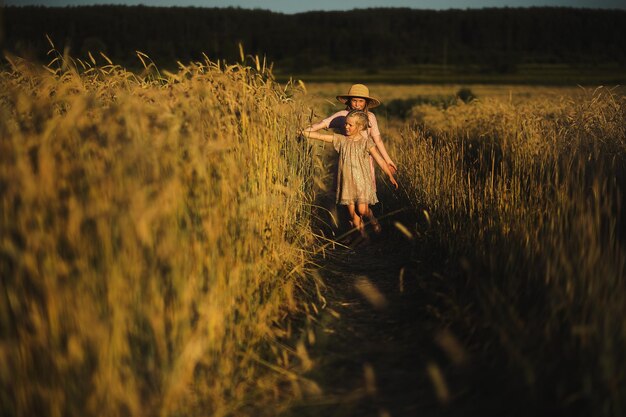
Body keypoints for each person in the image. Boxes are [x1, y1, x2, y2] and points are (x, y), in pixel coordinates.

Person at [301, 110, 398, 237]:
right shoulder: (341, 140)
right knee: (353, 216)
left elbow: (379, 159)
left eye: (350, 125)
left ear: (360, 127)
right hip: (346, 183)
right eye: (345, 124)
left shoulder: (366, 142)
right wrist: (304, 133)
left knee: (362, 210)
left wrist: (390, 176)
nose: (346, 126)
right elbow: (321, 137)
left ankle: (372, 219)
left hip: (362, 181)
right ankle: (364, 240)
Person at [304, 84, 398, 175]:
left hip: (365, 161)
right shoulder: (342, 115)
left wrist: (388, 160)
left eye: (361, 101)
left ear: (366, 102)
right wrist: (304, 131)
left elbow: (378, 140)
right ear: (349, 101)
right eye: (354, 101)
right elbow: (321, 124)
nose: (357, 104)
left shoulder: (370, 117)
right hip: (346, 161)